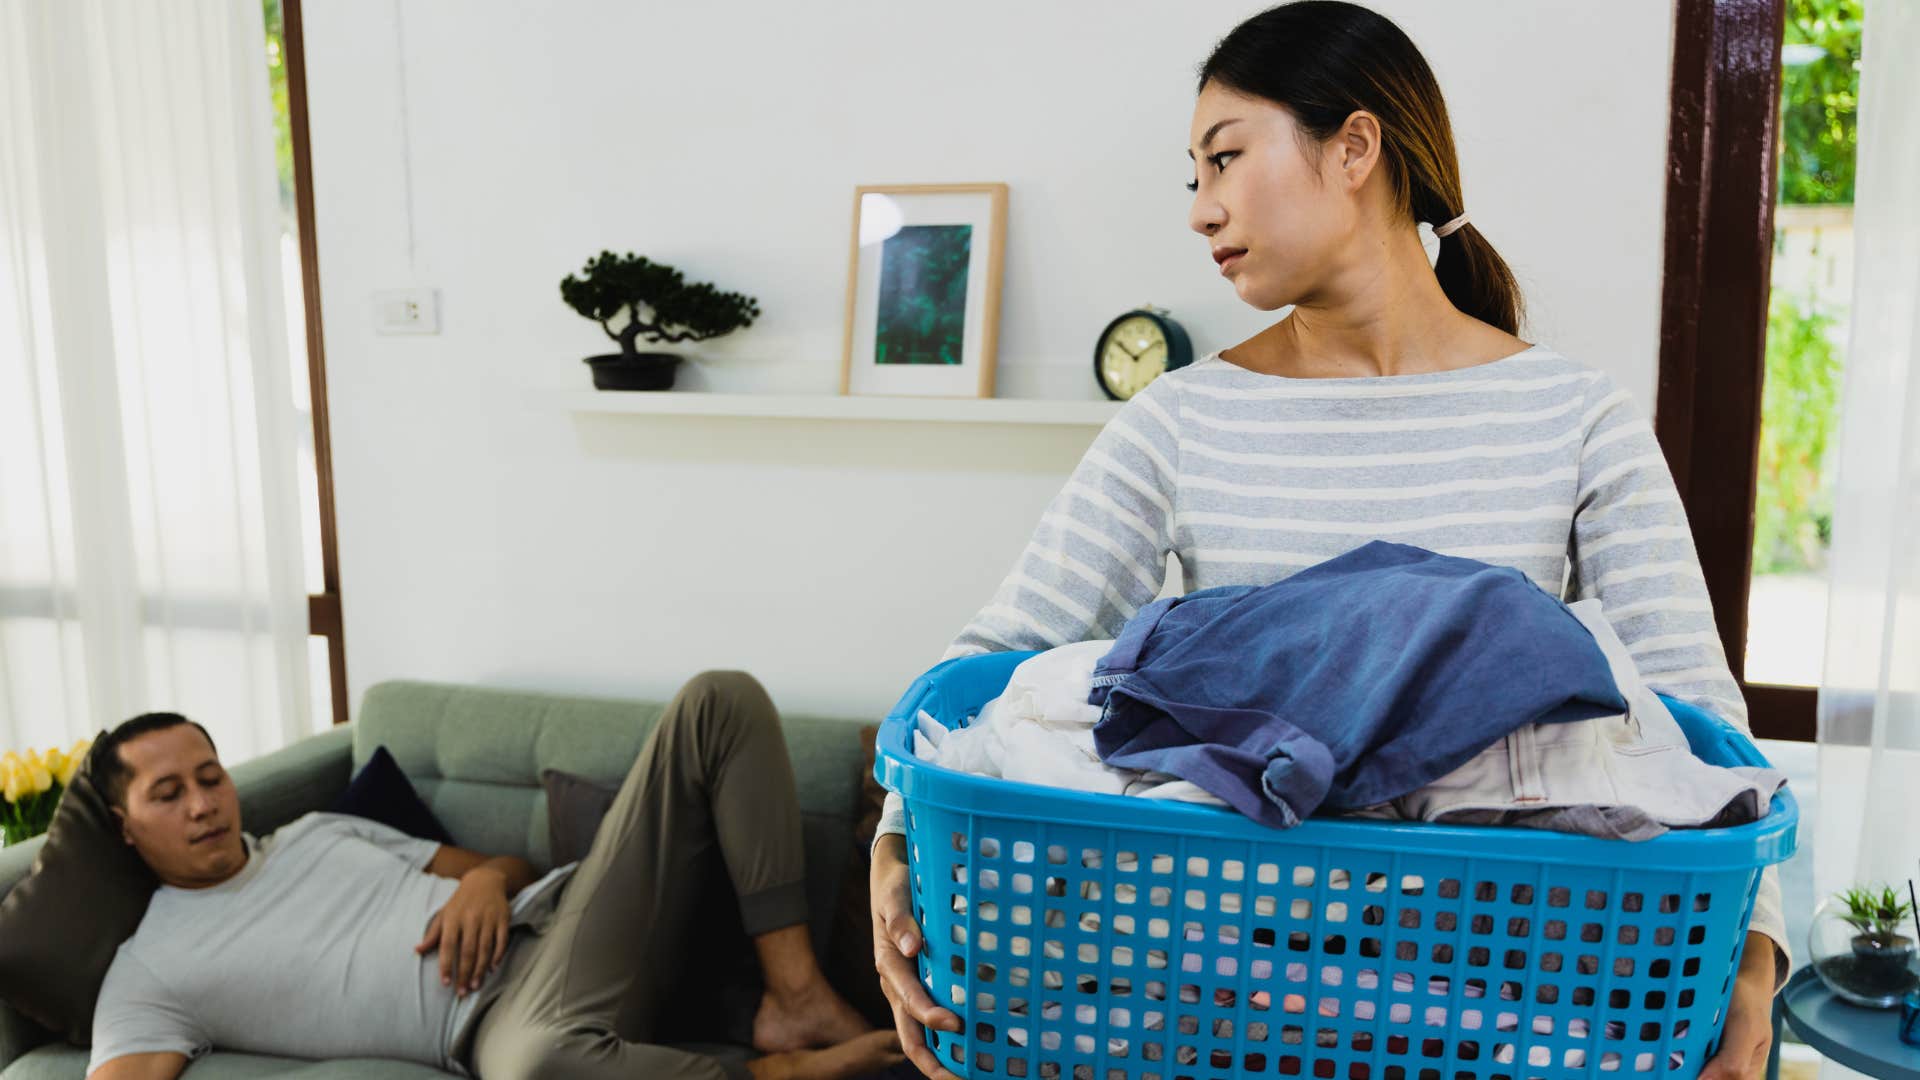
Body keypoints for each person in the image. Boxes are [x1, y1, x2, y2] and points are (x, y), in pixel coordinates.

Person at [868, 5, 1788, 1080]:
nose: (1204, 211)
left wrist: (1753, 955)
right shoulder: (1181, 418)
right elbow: (998, 667)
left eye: (1225, 160)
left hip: (1488, 985)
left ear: (1356, 147)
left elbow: (1697, 720)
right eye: (1195, 179)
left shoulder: (1573, 417)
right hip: (1223, 1001)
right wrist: (898, 841)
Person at [86, 671, 902, 1080]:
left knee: (718, 700)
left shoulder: (314, 832)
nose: (203, 804)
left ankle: (795, 997)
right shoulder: (152, 969)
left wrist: (482, 884)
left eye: (210, 776)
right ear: (126, 828)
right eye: (169, 793)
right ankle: (769, 1070)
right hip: (499, 1023)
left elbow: (510, 867)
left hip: (571, 923)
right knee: (535, 1067)